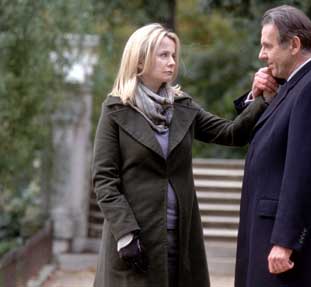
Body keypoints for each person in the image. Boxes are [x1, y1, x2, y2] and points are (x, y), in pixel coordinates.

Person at [91, 23, 275, 287]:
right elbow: (104, 179)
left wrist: (260, 98)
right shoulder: (115, 110)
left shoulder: (181, 106)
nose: (172, 62)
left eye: (174, 55)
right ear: (140, 58)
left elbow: (231, 133)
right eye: (164, 55)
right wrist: (126, 234)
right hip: (135, 239)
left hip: (181, 237)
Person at [235, 5, 311, 287]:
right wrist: (259, 97)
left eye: (267, 46)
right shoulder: (295, 85)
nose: (262, 55)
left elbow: (305, 172)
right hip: (267, 235)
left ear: (294, 44)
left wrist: (286, 241)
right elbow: (266, 138)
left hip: (284, 250)